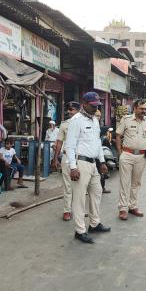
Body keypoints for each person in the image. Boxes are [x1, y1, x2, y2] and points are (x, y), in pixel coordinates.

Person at [65, 92, 111, 244]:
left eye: (98, 105)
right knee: (79, 198)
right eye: (93, 106)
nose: (96, 108)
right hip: (81, 164)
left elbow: (97, 143)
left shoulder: (95, 120)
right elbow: (70, 146)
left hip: (93, 164)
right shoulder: (75, 121)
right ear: (84, 103)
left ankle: (94, 224)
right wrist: (73, 167)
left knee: (96, 193)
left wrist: (102, 161)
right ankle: (80, 231)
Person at [116, 99, 146, 220]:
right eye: (141, 108)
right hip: (127, 155)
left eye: (145, 108)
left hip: (141, 156)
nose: (144, 111)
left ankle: (132, 206)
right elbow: (118, 136)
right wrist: (120, 153)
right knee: (125, 182)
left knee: (136, 183)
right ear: (135, 108)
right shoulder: (126, 119)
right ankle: (123, 208)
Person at [52, 101, 80, 221]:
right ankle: (67, 211)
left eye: (72, 109)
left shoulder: (85, 123)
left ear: (78, 110)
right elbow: (59, 142)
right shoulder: (64, 124)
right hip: (67, 158)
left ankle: (78, 210)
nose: (69, 112)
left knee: (80, 187)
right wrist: (55, 159)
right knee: (68, 186)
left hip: (81, 158)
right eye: (68, 109)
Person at [95, 109, 111, 194]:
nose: (98, 117)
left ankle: (102, 187)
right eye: (97, 115)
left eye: (99, 116)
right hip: (91, 154)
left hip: (100, 152)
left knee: (102, 171)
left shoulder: (99, 125)